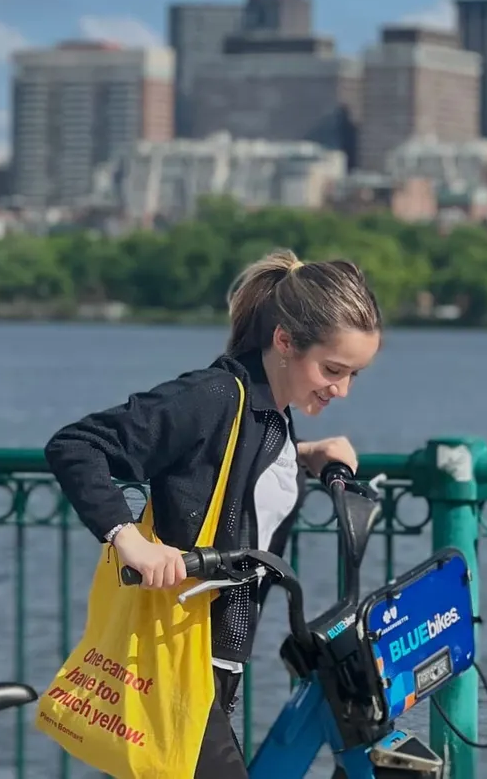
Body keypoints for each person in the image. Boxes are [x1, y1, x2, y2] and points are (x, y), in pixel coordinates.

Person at [44, 248, 382, 779]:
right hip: (177, 659)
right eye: (333, 369)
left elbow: (231, 484)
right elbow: (77, 445)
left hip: (214, 662)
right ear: (285, 342)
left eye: (354, 375)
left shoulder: (271, 409)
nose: (341, 390)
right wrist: (129, 540)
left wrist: (303, 456)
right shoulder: (216, 395)